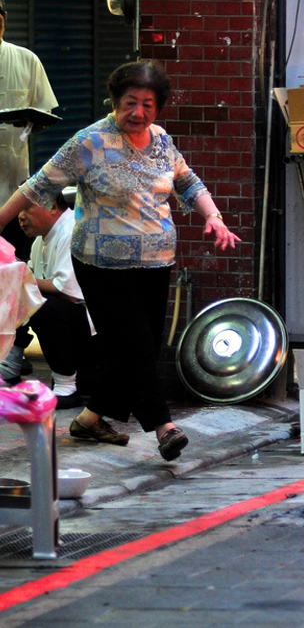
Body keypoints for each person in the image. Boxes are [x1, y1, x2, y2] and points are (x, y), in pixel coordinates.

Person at [0, 60, 240, 461]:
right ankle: (163, 427)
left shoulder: (161, 141)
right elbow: (38, 185)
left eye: (148, 104)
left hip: (156, 263)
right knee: (136, 345)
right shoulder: (89, 142)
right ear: (114, 101)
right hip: (102, 265)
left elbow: (187, 182)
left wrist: (213, 216)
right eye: (130, 102)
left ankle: (90, 418)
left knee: (135, 346)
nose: (139, 112)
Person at [0, 192, 94, 409]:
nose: (20, 217)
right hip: (70, 320)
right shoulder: (39, 242)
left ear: (51, 206)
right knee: (15, 291)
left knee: (42, 306)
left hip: (92, 328)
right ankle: (9, 366)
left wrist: (19, 275)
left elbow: (66, 291)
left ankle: (66, 386)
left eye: (26, 209)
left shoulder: (72, 230)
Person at [0, 0, 59, 261]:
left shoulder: (27, 59)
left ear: (5, 18)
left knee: (14, 263)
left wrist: (34, 123)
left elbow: (44, 112)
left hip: (15, 186)